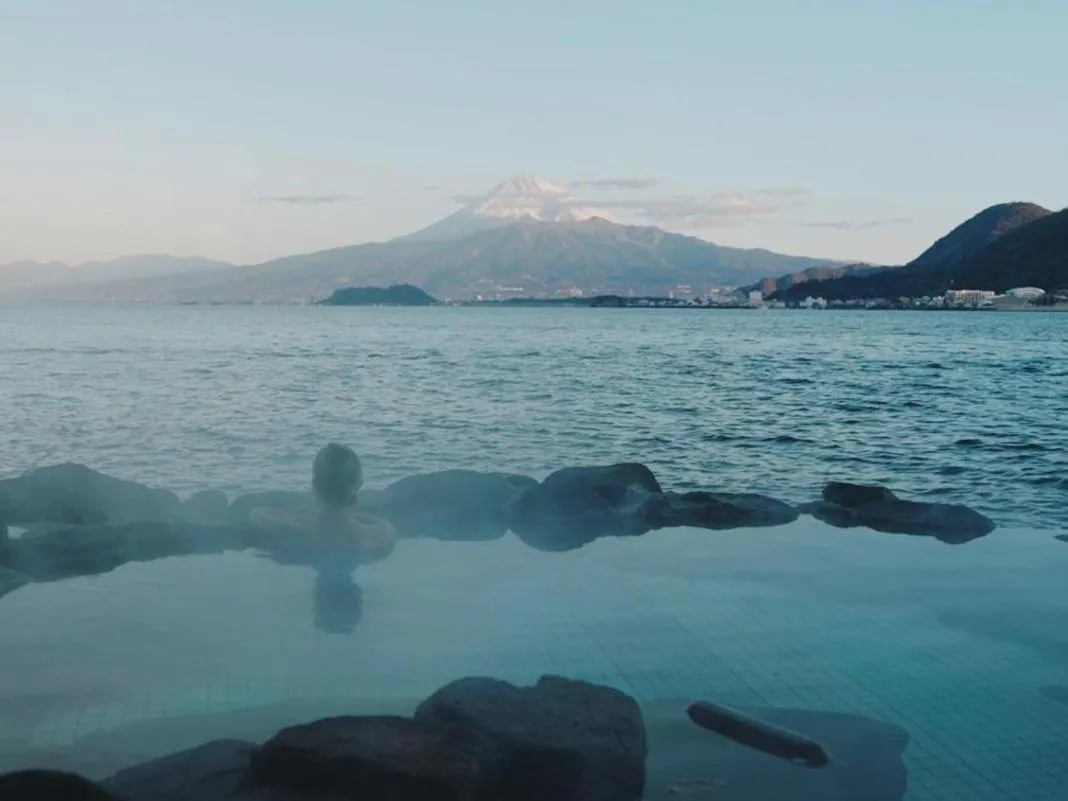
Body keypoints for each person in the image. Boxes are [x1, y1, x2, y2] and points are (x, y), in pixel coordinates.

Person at [249, 443, 396, 632]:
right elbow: (385, 525)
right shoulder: (377, 536)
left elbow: (257, 513)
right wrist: (357, 516)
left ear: (315, 486)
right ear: (358, 485)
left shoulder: (297, 531)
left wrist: (298, 514)